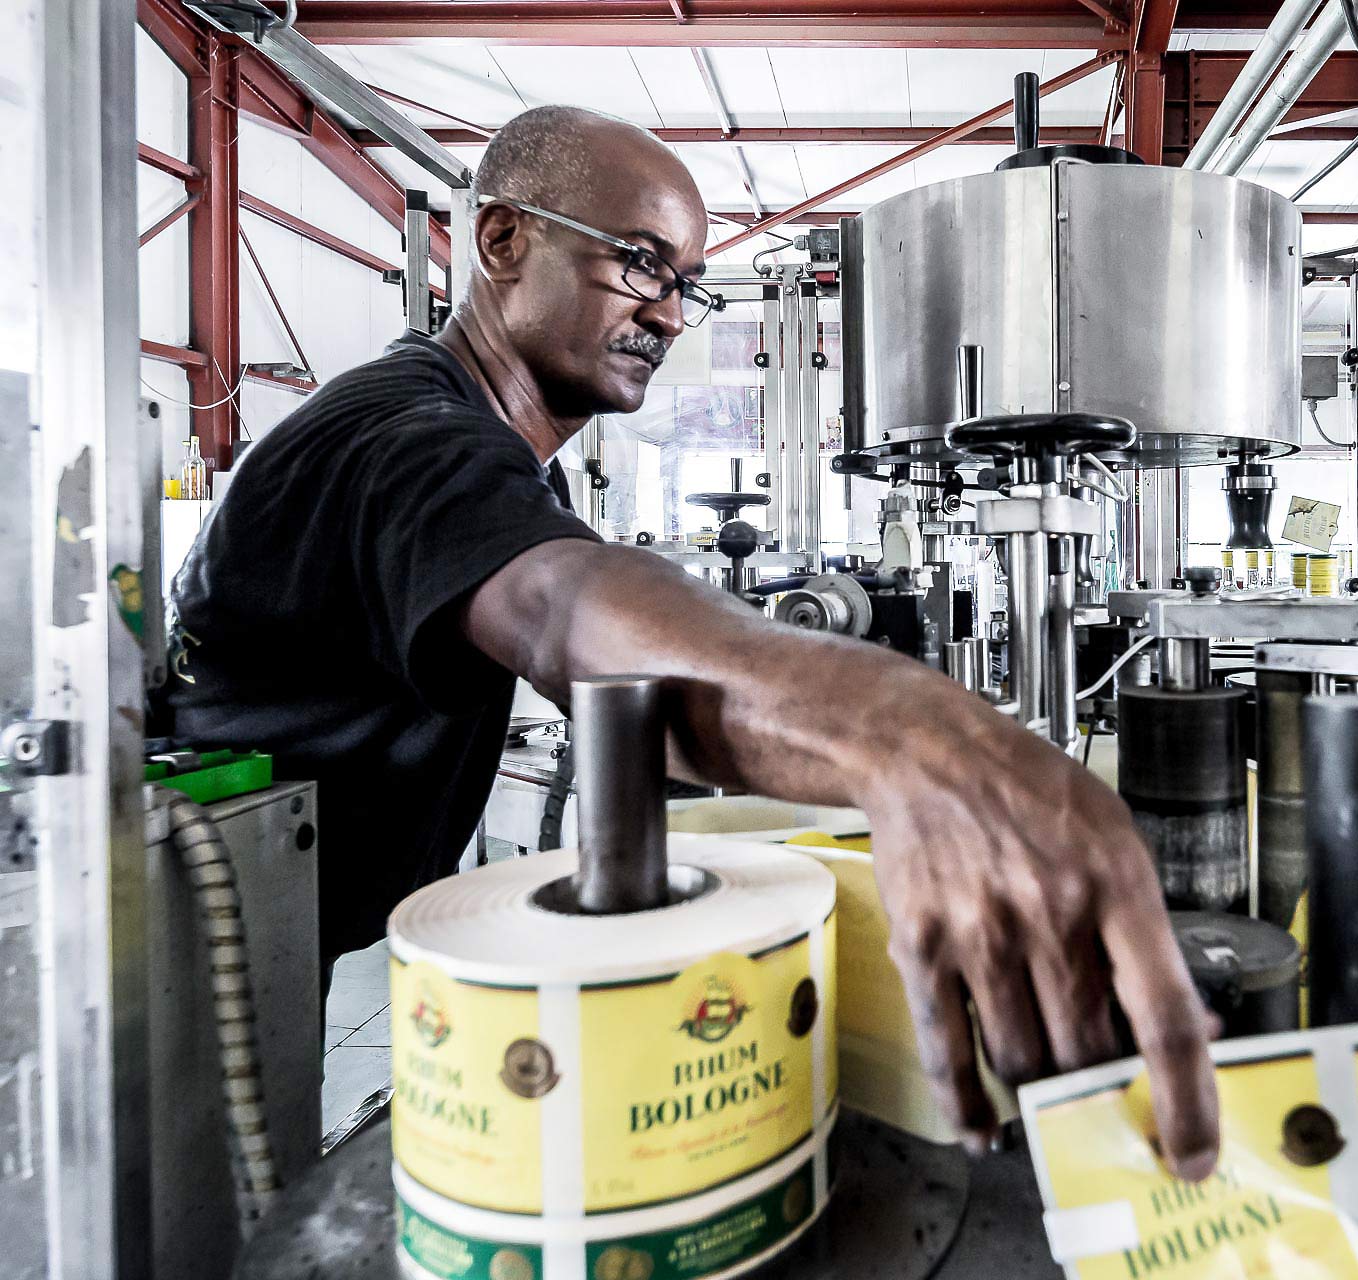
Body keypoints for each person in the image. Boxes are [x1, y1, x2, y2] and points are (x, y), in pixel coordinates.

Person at [158, 106, 1218, 1177]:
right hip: (170, 943)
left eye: (686, 283)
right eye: (640, 265)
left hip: (286, 932)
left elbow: (630, 690)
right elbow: (567, 609)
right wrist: (915, 736)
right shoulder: (391, 436)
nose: (669, 313)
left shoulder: (511, 452)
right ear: (501, 241)